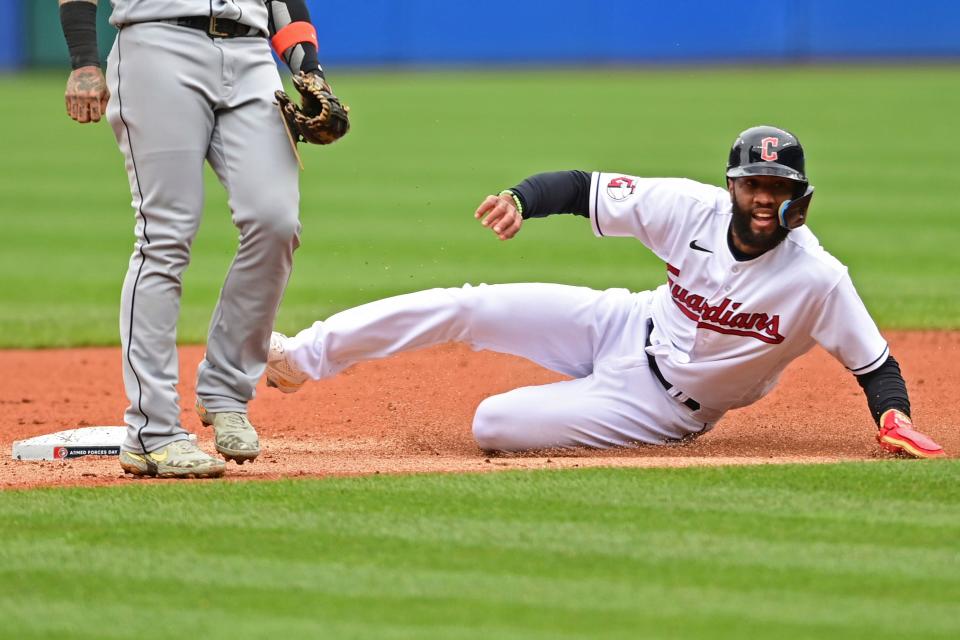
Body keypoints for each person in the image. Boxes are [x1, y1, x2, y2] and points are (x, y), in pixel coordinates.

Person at [264, 125, 945, 459]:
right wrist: (520, 200)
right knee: (469, 303)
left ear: (798, 196)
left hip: (661, 407)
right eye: (752, 183)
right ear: (734, 185)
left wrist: (894, 420)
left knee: (490, 424)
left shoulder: (817, 279)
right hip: (624, 321)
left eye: (778, 188)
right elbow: (581, 186)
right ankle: (301, 358)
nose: (763, 197)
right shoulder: (691, 208)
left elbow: (875, 366)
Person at [58, 0, 349, 478]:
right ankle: (152, 432)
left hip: (252, 53)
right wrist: (85, 61)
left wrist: (308, 68)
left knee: (275, 221)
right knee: (165, 236)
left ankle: (225, 392)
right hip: (157, 44)